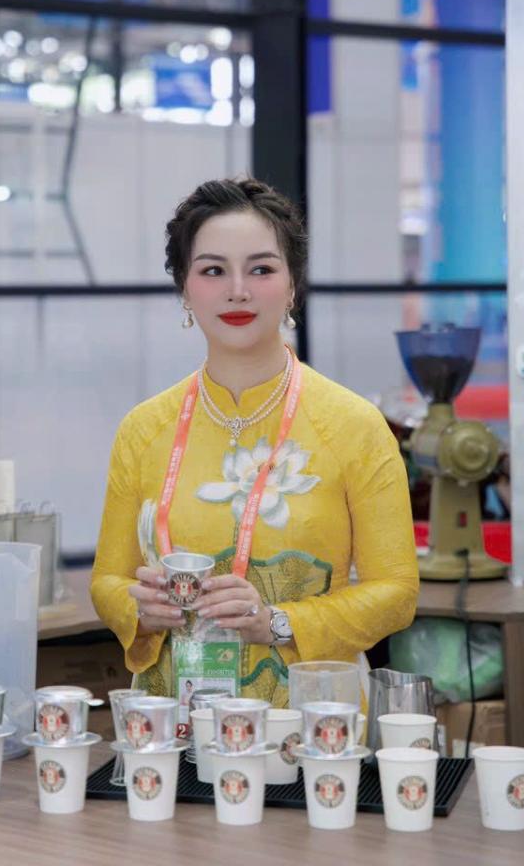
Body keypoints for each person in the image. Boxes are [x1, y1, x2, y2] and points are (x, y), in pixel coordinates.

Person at [91, 177, 419, 705]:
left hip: (313, 718)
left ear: (292, 287)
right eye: (213, 270)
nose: (238, 290)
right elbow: (108, 578)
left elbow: (397, 591)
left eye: (261, 269)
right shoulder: (144, 428)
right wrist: (140, 611)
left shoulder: (354, 425)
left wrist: (278, 622)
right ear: (184, 288)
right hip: (172, 716)